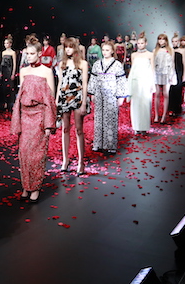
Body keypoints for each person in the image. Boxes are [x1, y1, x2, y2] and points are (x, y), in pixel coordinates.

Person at [10, 43, 56, 203]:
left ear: (39, 54)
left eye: (31, 54)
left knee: (37, 154)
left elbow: (50, 99)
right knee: (24, 152)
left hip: (39, 116)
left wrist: (49, 123)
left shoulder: (47, 71)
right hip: (25, 115)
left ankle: (35, 187)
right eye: (27, 54)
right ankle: (26, 186)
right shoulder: (23, 71)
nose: (28, 56)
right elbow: (20, 95)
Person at [55, 37, 89, 175]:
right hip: (64, 97)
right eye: (66, 47)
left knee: (79, 130)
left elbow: (85, 84)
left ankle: (81, 162)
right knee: (65, 129)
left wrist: (84, 102)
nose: (68, 49)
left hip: (77, 97)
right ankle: (65, 160)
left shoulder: (83, 63)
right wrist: (57, 99)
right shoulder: (62, 63)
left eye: (70, 47)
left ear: (75, 48)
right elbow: (60, 82)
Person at [88, 42, 128, 154]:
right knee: (98, 118)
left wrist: (121, 96)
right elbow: (93, 79)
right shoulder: (97, 64)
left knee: (111, 119)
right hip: (99, 93)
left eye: (107, 50)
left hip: (111, 94)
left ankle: (110, 144)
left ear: (112, 51)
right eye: (103, 50)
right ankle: (98, 143)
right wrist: (92, 93)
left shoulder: (117, 64)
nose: (105, 52)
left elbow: (121, 81)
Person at [127, 32, 154, 135]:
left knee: (145, 104)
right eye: (138, 43)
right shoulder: (134, 55)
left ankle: (144, 127)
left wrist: (152, 83)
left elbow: (152, 70)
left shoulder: (150, 55)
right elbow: (132, 70)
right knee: (136, 104)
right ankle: (136, 127)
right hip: (135, 82)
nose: (140, 45)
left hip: (146, 81)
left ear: (146, 43)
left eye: (142, 43)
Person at [153, 33, 176, 124]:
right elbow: (153, 63)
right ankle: (156, 115)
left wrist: (171, 75)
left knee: (166, 94)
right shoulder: (155, 50)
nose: (161, 41)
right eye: (159, 39)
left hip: (167, 73)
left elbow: (172, 63)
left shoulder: (170, 50)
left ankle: (163, 116)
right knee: (157, 94)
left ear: (166, 40)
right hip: (157, 73)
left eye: (163, 39)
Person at [0, 34, 17, 110]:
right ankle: (5, 102)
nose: (5, 45)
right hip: (4, 71)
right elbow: (2, 63)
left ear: (10, 44)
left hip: (10, 71)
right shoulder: (3, 52)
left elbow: (14, 64)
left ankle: (11, 102)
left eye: (7, 43)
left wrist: (13, 73)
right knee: (4, 88)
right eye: (5, 43)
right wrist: (0, 72)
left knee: (10, 87)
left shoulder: (13, 52)